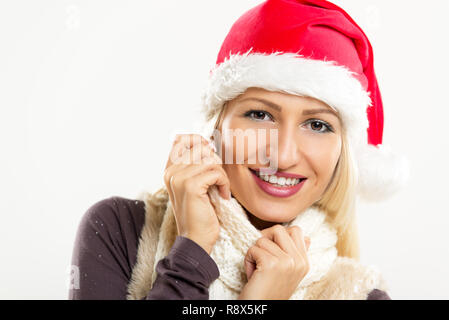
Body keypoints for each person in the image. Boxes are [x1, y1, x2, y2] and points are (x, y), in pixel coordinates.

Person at [69, 0, 408, 300]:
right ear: (217, 127)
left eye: (317, 125)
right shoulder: (118, 230)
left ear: (342, 153)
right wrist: (193, 250)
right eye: (259, 115)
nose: (284, 156)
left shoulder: (359, 295)